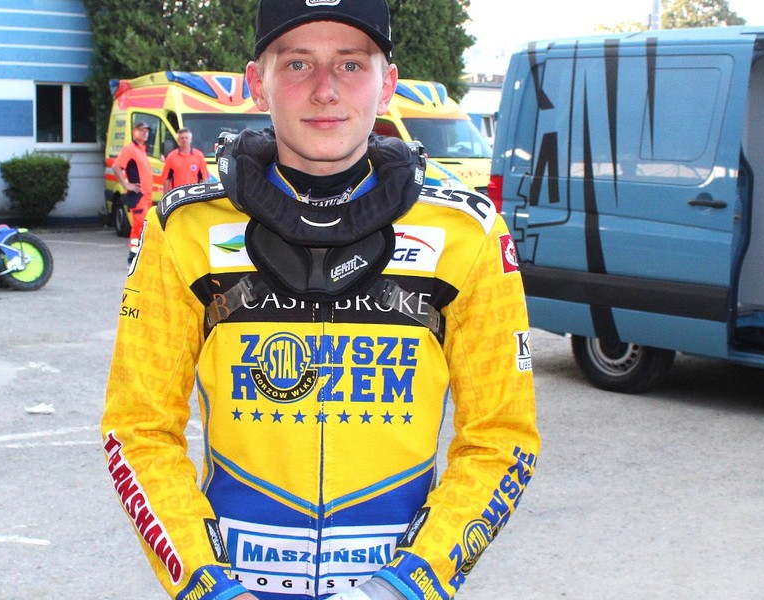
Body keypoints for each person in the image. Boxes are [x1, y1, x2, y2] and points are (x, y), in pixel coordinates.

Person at [102, 1, 539, 599]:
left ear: (387, 84)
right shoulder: (183, 231)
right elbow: (138, 429)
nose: (325, 90)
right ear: (258, 83)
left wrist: (406, 585)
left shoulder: (469, 234)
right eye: (298, 63)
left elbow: (502, 437)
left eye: (351, 64)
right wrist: (207, 585)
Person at [112, 120, 156, 264]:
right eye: (141, 130)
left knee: (143, 226)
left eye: (146, 131)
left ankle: (139, 256)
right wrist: (126, 184)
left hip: (145, 196)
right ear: (134, 132)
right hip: (138, 196)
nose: (144, 133)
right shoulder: (130, 148)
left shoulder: (141, 149)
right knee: (139, 227)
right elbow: (116, 167)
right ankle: (133, 258)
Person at [162, 127, 209, 192]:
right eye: (182, 138)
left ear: (191, 139)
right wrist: (166, 195)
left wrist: (202, 194)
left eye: (186, 138)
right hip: (177, 193)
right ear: (178, 140)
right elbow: (167, 179)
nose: (184, 140)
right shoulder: (171, 156)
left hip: (193, 194)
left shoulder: (199, 156)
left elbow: (204, 178)